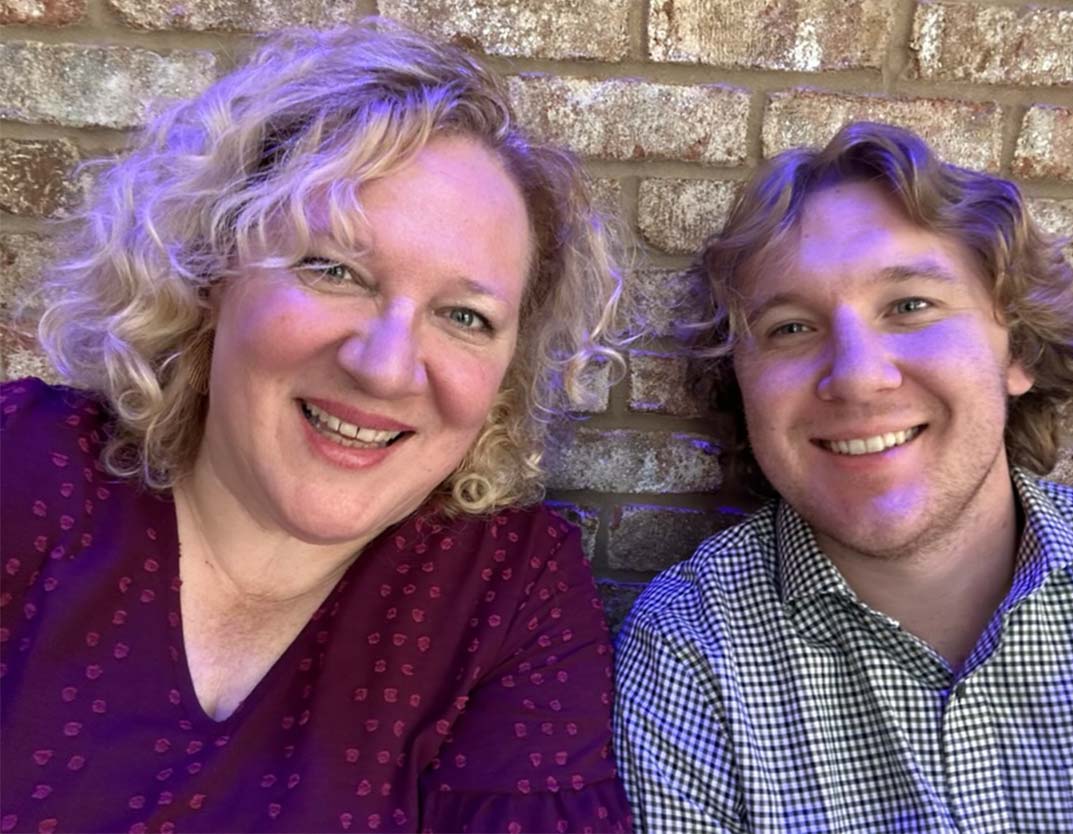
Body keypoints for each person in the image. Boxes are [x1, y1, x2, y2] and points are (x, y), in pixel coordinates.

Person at [1, 20, 632, 833]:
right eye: (332, 269)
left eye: (465, 317)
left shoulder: (505, 593)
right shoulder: (26, 473)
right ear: (209, 274)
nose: (385, 366)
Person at [613, 122, 1073, 833]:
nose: (858, 376)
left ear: (1015, 349)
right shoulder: (690, 655)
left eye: (910, 306)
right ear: (742, 388)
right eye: (791, 329)